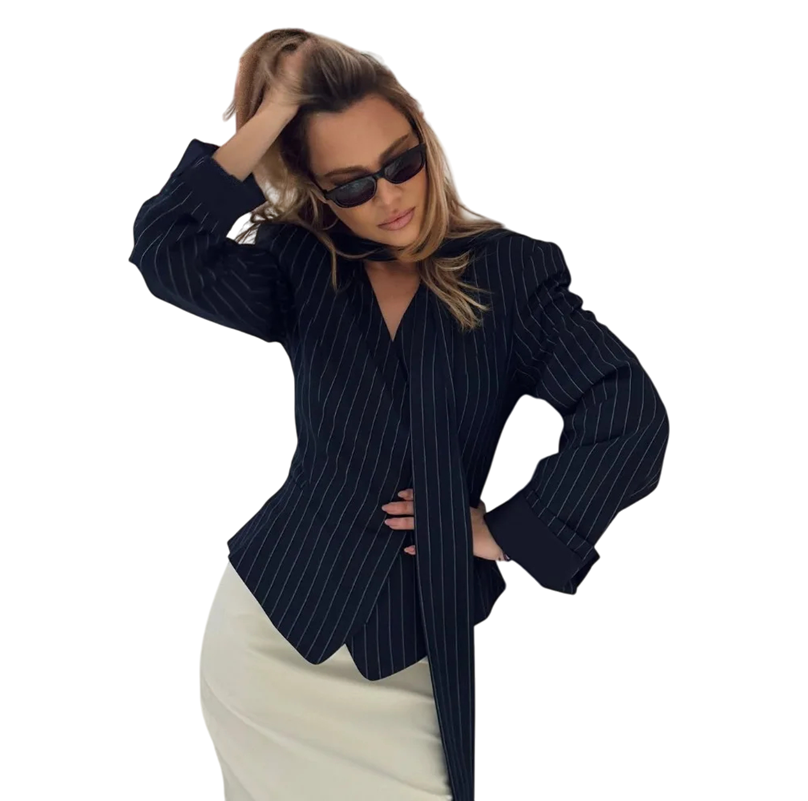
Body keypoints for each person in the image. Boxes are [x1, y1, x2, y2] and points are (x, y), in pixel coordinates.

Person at [127, 28, 670, 801]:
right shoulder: (300, 265)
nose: (387, 198)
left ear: (423, 139)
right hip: (268, 637)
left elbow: (627, 410)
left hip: (412, 651)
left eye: (399, 163)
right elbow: (166, 250)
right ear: (318, 190)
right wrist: (274, 111)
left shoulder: (512, 274)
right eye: (349, 185)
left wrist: (509, 530)